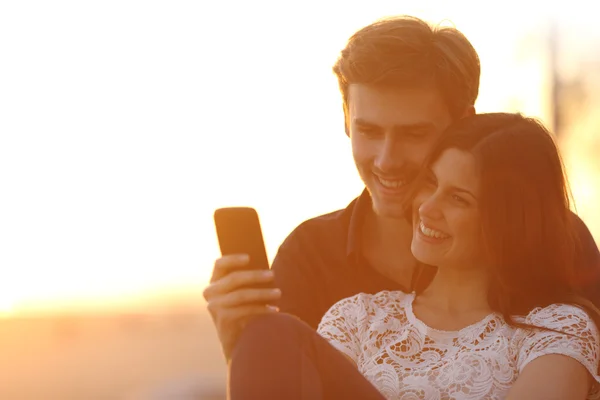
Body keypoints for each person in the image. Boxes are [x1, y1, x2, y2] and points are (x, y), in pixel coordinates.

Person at [203, 15, 600, 361]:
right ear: (346, 119)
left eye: (413, 134)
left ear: (463, 123)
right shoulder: (309, 256)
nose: (387, 160)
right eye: (369, 131)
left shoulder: (552, 236)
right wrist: (239, 345)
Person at [229, 113, 600, 399]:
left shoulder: (556, 330)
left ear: (507, 223)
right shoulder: (357, 318)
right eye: (431, 182)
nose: (427, 208)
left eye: (458, 198)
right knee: (269, 332)